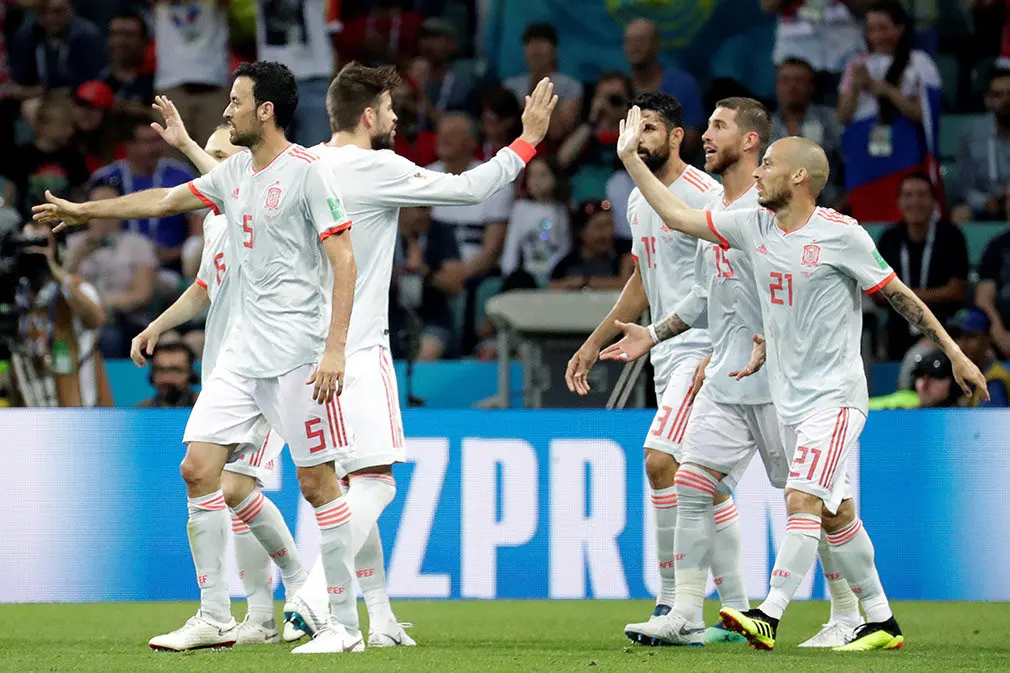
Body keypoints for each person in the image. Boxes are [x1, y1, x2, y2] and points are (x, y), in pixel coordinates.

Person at [613, 106, 987, 651]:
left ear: (798, 177)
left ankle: (771, 613)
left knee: (803, 502)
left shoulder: (842, 235)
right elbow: (678, 219)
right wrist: (630, 162)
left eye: (768, 164)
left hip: (832, 398)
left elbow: (900, 297)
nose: (759, 173)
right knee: (831, 510)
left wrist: (954, 353)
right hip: (777, 392)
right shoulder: (750, 222)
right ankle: (874, 619)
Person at [34, 61, 362, 654]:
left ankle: (343, 626)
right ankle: (214, 616)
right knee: (198, 470)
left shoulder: (310, 175)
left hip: (299, 354)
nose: (227, 110)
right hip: (240, 356)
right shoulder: (234, 173)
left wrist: (336, 348)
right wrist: (85, 212)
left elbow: (344, 261)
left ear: (265, 110)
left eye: (236, 102)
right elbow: (162, 200)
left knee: (317, 484)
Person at [279, 62, 556, 647]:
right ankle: (311, 595)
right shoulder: (377, 166)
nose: (398, 118)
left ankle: (377, 619)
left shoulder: (301, 164)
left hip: (299, 347)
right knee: (377, 484)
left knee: (357, 478)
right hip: (354, 346)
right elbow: (470, 188)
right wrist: (527, 140)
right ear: (368, 116)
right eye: (390, 108)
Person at [606, 97, 860, 649]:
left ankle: (849, 614)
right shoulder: (720, 209)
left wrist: (765, 340)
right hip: (727, 377)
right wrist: (656, 334)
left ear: (750, 143)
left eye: (718, 126)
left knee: (824, 505)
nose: (705, 135)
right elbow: (707, 293)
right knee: (691, 479)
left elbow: (796, 292)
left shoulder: (770, 212)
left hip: (786, 387)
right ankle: (686, 610)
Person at [563, 91, 741, 640]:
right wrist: (595, 341)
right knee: (706, 484)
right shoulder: (641, 201)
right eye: (633, 129)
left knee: (660, 462)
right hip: (663, 352)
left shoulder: (705, 195)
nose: (639, 140)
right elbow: (643, 279)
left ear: (677, 137)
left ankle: (671, 606)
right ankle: (737, 613)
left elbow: (729, 279)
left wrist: (721, 347)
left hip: (704, 349)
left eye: (651, 129)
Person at [131, 113, 306, 645]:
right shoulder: (215, 223)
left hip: (274, 365)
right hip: (227, 372)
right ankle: (256, 617)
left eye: (221, 157)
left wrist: (186, 144)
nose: (211, 171)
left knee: (232, 485)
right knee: (226, 488)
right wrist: (157, 324)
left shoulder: (277, 208)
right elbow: (204, 289)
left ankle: (297, 586)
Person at [836, 0, 941, 223]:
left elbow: (926, 116)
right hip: (865, 161)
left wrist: (885, 90)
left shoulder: (918, 63)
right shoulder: (856, 65)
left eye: (883, 28)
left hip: (905, 155)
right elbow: (843, 116)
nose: (877, 36)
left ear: (900, 28)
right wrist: (855, 86)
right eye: (871, 30)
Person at [16, 221, 111, 407]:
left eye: (42, 243)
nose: (35, 250)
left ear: (57, 248)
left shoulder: (76, 287)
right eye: (27, 244)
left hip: (79, 411)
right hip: (29, 411)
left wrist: (55, 269)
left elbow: (97, 318)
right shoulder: (17, 296)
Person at [875, 173, 969, 360]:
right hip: (898, 330)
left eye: (921, 195)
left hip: (941, 330)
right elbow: (878, 293)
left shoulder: (951, 236)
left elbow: (957, 291)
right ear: (899, 201)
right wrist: (933, 294)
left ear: (933, 201)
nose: (915, 201)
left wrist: (903, 295)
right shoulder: (890, 238)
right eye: (908, 195)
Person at [547, 199, 631, 291]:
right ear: (581, 232)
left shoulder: (625, 251)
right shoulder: (567, 265)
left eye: (610, 225)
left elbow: (627, 285)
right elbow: (550, 287)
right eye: (599, 227)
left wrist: (584, 282)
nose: (607, 233)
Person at [946, 307, 1010, 408]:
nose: (961, 344)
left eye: (970, 336)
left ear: (988, 338)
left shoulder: (994, 381)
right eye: (957, 336)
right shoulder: (950, 370)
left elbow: (989, 421)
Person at [869, 349, 964, 409]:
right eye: (920, 375)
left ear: (954, 382)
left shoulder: (964, 417)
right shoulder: (905, 405)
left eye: (936, 376)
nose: (925, 384)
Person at [136, 342, 198, 408]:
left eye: (175, 370)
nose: (166, 379)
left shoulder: (205, 408)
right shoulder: (142, 410)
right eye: (160, 370)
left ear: (191, 374)